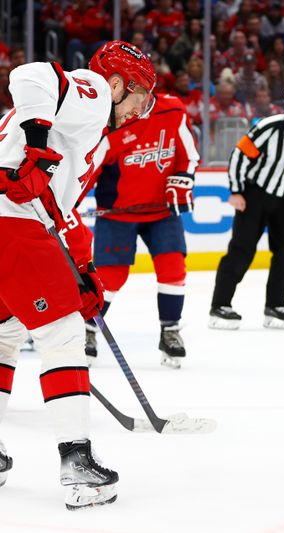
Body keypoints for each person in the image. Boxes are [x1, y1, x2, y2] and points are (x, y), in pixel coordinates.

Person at [0, 40, 155, 509]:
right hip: (12, 219)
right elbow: (29, 74)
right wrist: (37, 140)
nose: (139, 112)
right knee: (64, 334)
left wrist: (81, 269)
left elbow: (53, 205)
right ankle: (77, 463)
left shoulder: (85, 124)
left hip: (19, 217)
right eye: (139, 98)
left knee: (6, 336)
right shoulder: (92, 93)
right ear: (115, 84)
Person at [86, 90, 199, 369]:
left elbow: (190, 156)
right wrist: (64, 204)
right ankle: (87, 330)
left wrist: (183, 178)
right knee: (111, 277)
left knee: (172, 267)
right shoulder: (110, 122)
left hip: (162, 211)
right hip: (118, 213)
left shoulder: (172, 110)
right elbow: (87, 172)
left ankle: (170, 331)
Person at [209, 114, 284, 330]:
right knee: (242, 251)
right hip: (255, 195)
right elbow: (239, 155)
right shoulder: (269, 127)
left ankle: (275, 306)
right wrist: (236, 190)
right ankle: (220, 305)